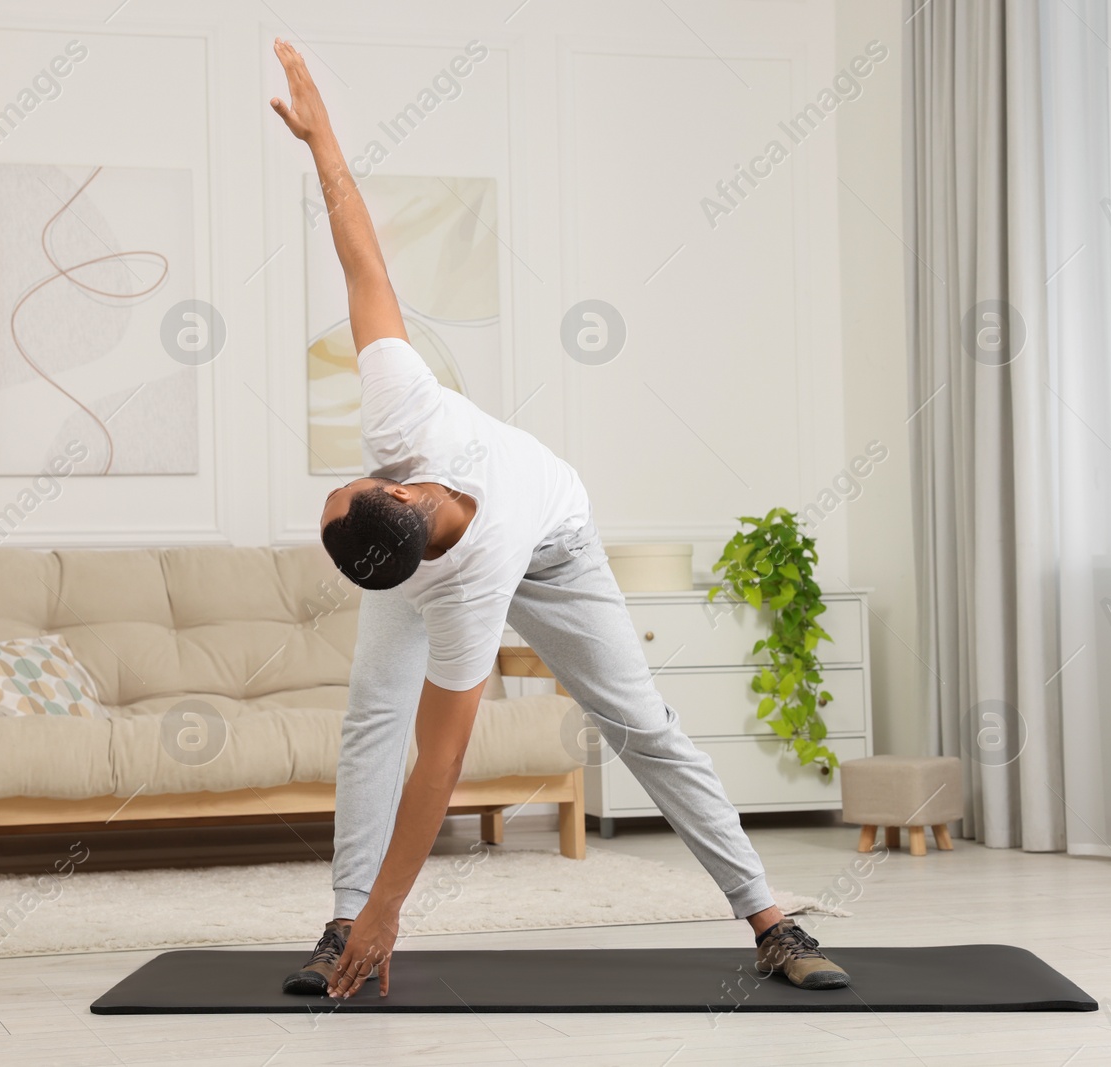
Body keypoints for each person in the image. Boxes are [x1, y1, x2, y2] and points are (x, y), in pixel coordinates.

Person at [267, 37, 849, 1000]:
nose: (354, 472)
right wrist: (380, 913)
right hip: (463, 559)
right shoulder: (410, 501)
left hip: (556, 547)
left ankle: (771, 920)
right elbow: (438, 762)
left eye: (348, 482)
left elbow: (441, 761)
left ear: (403, 486)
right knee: (372, 718)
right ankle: (341, 922)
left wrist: (397, 909)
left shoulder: (419, 464)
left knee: (642, 723)